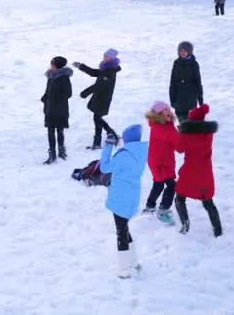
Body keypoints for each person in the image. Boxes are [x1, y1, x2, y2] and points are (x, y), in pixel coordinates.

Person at [100, 125, 148, 279]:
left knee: (121, 231)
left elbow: (104, 167)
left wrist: (108, 146)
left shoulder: (123, 156)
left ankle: (124, 269)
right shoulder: (140, 152)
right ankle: (133, 262)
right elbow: (125, 155)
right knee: (124, 228)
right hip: (132, 196)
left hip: (120, 198)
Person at [174, 104, 222, 237]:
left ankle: (185, 225)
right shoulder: (208, 134)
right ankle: (217, 230)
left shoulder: (187, 135)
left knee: (179, 198)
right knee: (208, 201)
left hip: (189, 171)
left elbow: (179, 149)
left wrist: (180, 133)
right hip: (205, 172)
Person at [73, 48, 122, 150]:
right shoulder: (106, 68)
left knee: (97, 118)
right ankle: (99, 141)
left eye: (106, 57)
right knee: (97, 118)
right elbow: (94, 73)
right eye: (104, 56)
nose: (103, 58)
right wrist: (81, 66)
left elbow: (98, 86)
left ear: (111, 59)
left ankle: (111, 135)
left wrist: (85, 93)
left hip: (103, 98)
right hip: (100, 97)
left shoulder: (110, 71)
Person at [143, 101, 179, 223]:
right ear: (158, 114)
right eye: (165, 111)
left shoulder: (157, 124)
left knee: (158, 184)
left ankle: (150, 206)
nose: (169, 112)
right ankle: (163, 210)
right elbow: (180, 147)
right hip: (161, 163)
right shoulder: (165, 129)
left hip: (159, 160)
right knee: (172, 185)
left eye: (169, 109)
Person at [41, 56, 73, 165]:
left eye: (52, 64)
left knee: (59, 130)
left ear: (56, 65)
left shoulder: (64, 78)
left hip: (60, 109)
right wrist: (45, 98)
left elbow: (68, 93)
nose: (51, 65)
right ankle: (52, 154)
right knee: (50, 131)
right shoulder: (51, 76)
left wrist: (55, 98)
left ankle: (61, 151)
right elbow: (48, 90)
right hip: (50, 108)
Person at [169, 41, 203, 123]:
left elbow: (198, 82)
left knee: (190, 123)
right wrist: (172, 99)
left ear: (189, 51)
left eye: (185, 51)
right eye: (180, 51)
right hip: (179, 99)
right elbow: (172, 81)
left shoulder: (194, 64)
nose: (182, 53)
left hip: (190, 98)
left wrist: (200, 99)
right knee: (182, 123)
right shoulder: (176, 63)